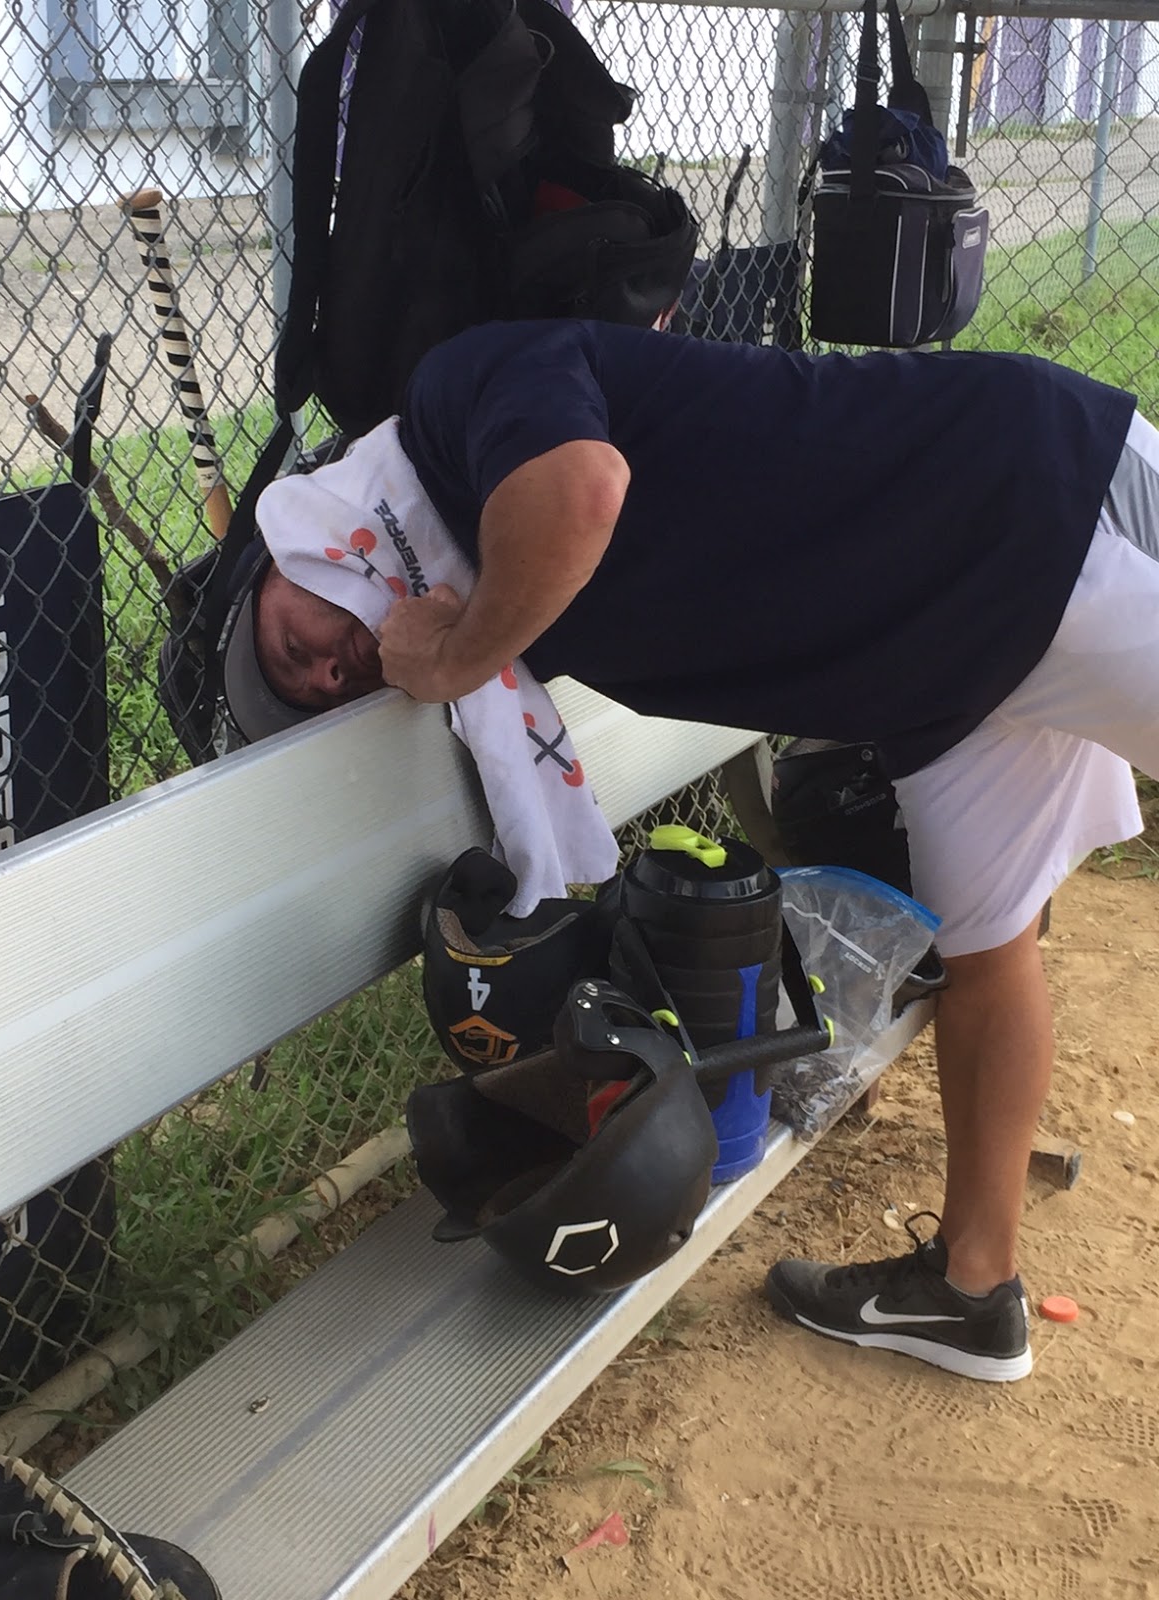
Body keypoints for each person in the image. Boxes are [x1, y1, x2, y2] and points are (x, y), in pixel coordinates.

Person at [222, 316, 1158, 1383]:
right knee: (990, 948)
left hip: (1026, 505)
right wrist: (463, 648)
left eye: (295, 644)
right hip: (943, 677)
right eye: (329, 693)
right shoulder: (485, 587)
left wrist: (452, 657)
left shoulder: (451, 403)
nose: (332, 666)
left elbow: (581, 490)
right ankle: (970, 1290)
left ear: (285, 543)